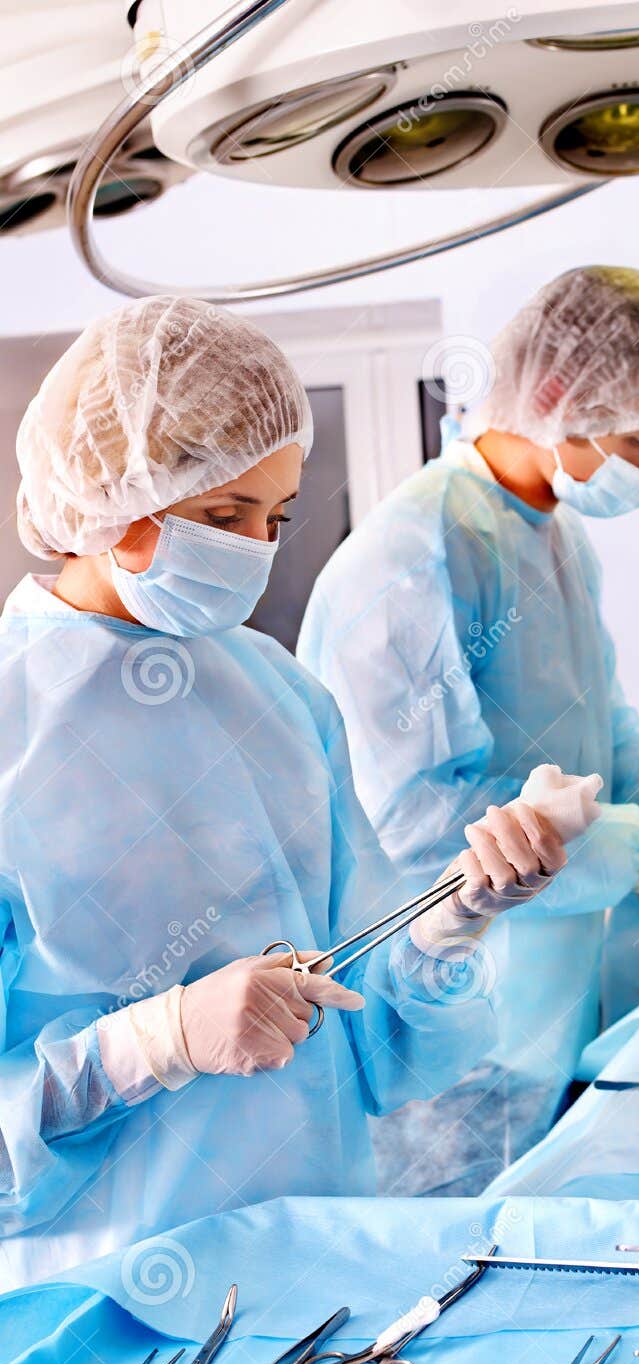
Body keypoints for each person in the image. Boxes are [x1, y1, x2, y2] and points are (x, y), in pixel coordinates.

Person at [0, 296, 573, 1290]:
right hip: (105, 1304)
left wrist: (447, 924)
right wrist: (154, 1041)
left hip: (315, 1256)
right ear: (107, 503)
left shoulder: (276, 692)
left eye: (274, 517)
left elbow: (373, 1032)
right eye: (223, 517)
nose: (256, 549)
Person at [298, 266, 639, 1194]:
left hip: (544, 1009)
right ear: (558, 395)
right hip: (448, 1027)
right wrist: (638, 857)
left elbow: (608, 737)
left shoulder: (556, 536)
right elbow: (416, 823)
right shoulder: (411, 556)